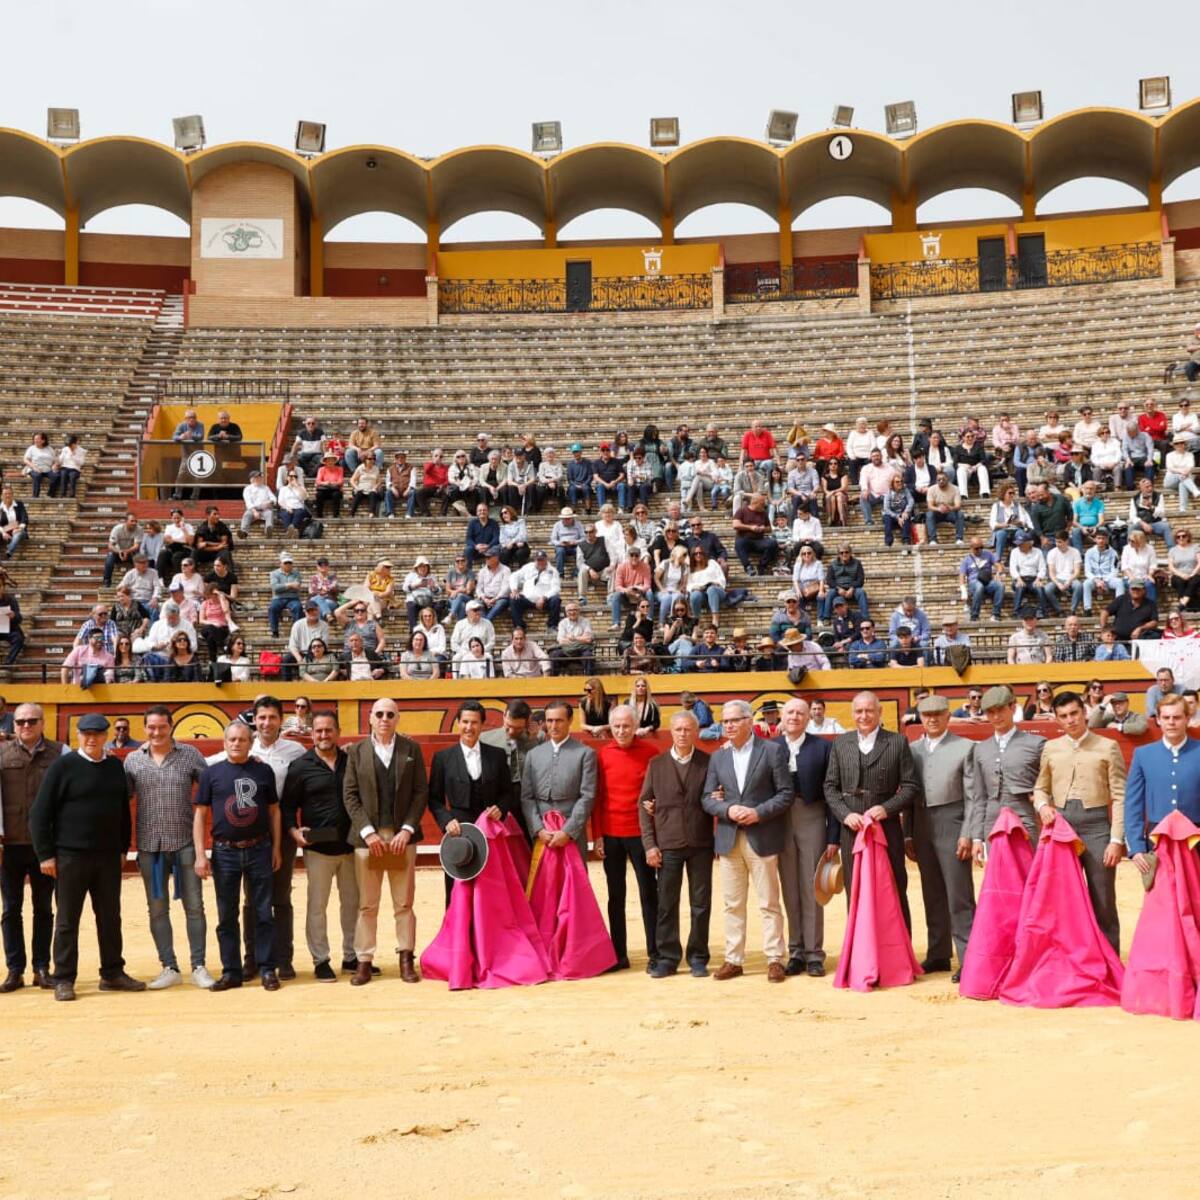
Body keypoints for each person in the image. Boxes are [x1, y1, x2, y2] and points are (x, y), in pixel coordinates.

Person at [30, 713, 144, 1001]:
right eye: (85, 734)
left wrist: (122, 848)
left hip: (107, 857)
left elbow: (122, 812)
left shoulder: (115, 768)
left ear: (106, 736)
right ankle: (64, 978)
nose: (91, 738)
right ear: (78, 735)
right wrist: (45, 855)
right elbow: (40, 813)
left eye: (97, 733)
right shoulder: (63, 767)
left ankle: (112, 973)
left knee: (110, 917)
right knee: (67, 919)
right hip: (70, 855)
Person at [212, 696, 306, 980]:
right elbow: (202, 764)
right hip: (249, 834)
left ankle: (284, 959)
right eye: (261, 717)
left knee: (280, 897)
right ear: (254, 719)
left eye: (272, 717)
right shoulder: (240, 745)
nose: (266, 722)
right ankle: (252, 959)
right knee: (252, 901)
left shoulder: (296, 751)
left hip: (280, 833)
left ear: (281, 719)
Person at [701, 700, 792, 982]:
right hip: (729, 837)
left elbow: (785, 793)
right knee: (732, 903)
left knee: (769, 902)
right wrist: (727, 809)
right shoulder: (718, 757)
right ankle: (734, 959)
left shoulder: (772, 751)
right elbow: (706, 798)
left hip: (761, 834)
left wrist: (758, 813)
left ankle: (775, 958)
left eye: (734, 720)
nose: (728, 725)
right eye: (725, 721)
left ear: (748, 721)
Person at [123, 706, 211, 990]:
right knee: (157, 909)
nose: (157, 732)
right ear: (144, 728)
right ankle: (169, 966)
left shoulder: (190, 755)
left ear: (171, 726)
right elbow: (119, 801)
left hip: (185, 842)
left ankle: (198, 965)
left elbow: (213, 785)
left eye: (162, 727)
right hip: (150, 846)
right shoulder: (132, 761)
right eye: (151, 727)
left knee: (194, 907)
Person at [1033, 691, 1126, 953]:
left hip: (1097, 827)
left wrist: (1116, 839)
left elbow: (1120, 796)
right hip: (1062, 827)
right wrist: (1042, 807)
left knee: (1103, 897)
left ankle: (1109, 961)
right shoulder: (1051, 747)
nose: (1070, 720)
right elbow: (1040, 787)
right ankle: (1071, 960)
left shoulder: (1108, 746)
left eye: (1074, 713)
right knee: (1062, 899)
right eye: (1063, 716)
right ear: (1057, 719)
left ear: (1084, 712)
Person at [343, 699, 428, 985]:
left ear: (398, 718)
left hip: (402, 837)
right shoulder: (356, 751)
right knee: (368, 904)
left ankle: (406, 956)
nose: (384, 719)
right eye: (379, 714)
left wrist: (406, 830)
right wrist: (367, 832)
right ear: (370, 718)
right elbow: (350, 795)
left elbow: (419, 793)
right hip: (368, 838)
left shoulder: (411, 749)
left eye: (390, 714)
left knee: (404, 902)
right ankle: (364, 960)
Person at [194, 721, 281, 991]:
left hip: (259, 848)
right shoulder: (212, 773)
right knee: (226, 914)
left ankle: (267, 969)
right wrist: (200, 854)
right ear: (224, 742)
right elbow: (200, 815)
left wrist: (276, 848)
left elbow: (274, 812)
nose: (236, 744)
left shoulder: (263, 770)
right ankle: (231, 971)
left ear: (250, 742)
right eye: (231, 739)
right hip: (224, 852)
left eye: (242, 739)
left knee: (264, 912)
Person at [823, 691, 918, 933]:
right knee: (855, 889)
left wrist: (886, 809)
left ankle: (900, 954)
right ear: (852, 713)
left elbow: (910, 787)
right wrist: (845, 814)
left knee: (894, 886)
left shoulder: (897, 742)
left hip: (886, 829)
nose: (863, 716)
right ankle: (861, 955)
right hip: (851, 830)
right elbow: (830, 786)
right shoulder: (841, 743)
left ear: (879, 712)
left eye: (869, 710)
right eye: (858, 711)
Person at [281, 709, 359, 981]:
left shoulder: (352, 761)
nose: (324, 735)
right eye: (319, 731)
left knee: (353, 904)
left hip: (351, 846)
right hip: (317, 848)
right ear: (312, 734)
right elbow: (288, 805)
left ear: (337, 732)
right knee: (318, 905)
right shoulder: (301, 766)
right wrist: (293, 830)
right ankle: (321, 959)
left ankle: (352, 956)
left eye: (329, 730)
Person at [636, 710, 713, 978]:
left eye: (688, 729)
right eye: (678, 729)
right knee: (667, 903)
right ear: (671, 731)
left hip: (701, 843)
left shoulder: (707, 762)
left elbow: (715, 797)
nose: (683, 734)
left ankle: (698, 957)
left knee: (700, 903)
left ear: (696, 732)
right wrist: (650, 845)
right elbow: (643, 806)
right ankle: (668, 957)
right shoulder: (656, 765)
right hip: (667, 844)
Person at [906, 696, 976, 982]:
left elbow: (973, 796)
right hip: (922, 823)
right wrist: (908, 832)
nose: (932, 719)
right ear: (920, 718)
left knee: (959, 893)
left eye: (938, 714)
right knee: (931, 890)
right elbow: (909, 796)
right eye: (927, 715)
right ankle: (938, 953)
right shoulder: (912, 750)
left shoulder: (965, 747)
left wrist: (968, 832)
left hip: (953, 819)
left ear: (948, 716)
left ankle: (969, 955)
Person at [0, 704, 64, 992]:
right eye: (20, 721)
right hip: (8, 844)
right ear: (13, 725)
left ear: (42, 722)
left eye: (31, 721)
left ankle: (41, 966)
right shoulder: (1, 753)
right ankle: (15, 969)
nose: (26, 726)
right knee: (10, 908)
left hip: (44, 846)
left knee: (43, 908)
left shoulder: (60, 753)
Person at [772, 698, 837, 978]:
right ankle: (796, 951)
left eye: (801, 712)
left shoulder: (822, 747)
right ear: (781, 717)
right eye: (790, 712)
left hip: (812, 815)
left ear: (809, 717)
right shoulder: (771, 747)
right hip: (780, 819)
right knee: (789, 885)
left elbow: (833, 793)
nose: (795, 717)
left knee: (812, 886)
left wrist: (833, 835)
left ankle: (813, 953)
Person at [593, 705, 660, 972]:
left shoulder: (651, 754)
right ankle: (618, 954)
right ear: (611, 727)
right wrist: (597, 835)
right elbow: (597, 798)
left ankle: (655, 952)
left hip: (641, 835)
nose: (622, 731)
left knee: (649, 894)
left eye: (627, 726)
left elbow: (658, 794)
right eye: (617, 726)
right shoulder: (602, 755)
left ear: (635, 726)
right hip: (611, 834)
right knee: (615, 896)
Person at [428, 701, 514, 906]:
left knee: (490, 889)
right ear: (458, 723)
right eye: (465, 721)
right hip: (458, 830)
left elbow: (508, 793)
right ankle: (458, 937)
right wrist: (446, 821)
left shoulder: (497, 755)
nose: (469, 727)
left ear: (482, 725)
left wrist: (500, 808)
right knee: (457, 889)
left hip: (490, 830)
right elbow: (434, 799)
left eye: (474, 722)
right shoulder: (443, 758)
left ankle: (486, 936)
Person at [1125, 693, 1200, 873]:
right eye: (1166, 717)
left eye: (1177, 717)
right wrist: (1136, 847)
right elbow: (1133, 805)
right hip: (1157, 838)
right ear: (1158, 720)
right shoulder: (1143, 754)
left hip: (1196, 838)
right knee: (1162, 898)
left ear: (1187, 719)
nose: (1171, 722)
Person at [967, 685, 1045, 853]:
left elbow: (1049, 785)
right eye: (990, 712)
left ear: (1013, 708)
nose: (996, 716)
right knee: (998, 873)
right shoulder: (981, 749)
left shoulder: (1036, 744)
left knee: (1027, 871)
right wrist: (977, 838)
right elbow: (979, 797)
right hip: (992, 817)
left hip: (1024, 813)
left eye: (1000, 710)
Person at [520, 700, 597, 861]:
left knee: (572, 884)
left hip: (570, 829)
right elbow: (527, 797)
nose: (553, 726)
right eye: (549, 720)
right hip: (542, 832)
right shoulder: (534, 755)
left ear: (570, 721)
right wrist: (538, 829)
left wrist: (568, 831)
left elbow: (587, 796)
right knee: (543, 883)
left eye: (559, 720)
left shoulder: (585, 754)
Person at [924, 471, 965, 545]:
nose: (941, 481)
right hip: (937, 513)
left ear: (947, 479)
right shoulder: (931, 489)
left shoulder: (955, 489)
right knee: (929, 514)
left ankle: (959, 539)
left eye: (943, 479)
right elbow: (930, 506)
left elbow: (958, 506)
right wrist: (939, 509)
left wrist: (950, 508)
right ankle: (933, 540)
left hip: (950, 512)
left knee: (960, 514)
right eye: (939, 480)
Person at [239, 470, 276, 537]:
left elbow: (273, 498)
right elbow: (248, 502)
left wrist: (270, 502)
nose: (259, 478)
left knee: (269, 513)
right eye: (257, 477)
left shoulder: (266, 488)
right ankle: (244, 532)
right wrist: (254, 512)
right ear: (252, 479)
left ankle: (268, 531)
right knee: (247, 514)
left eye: (260, 476)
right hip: (252, 509)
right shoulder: (247, 489)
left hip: (265, 509)